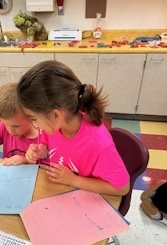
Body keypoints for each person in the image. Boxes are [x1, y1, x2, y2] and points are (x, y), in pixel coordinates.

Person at [17, 60, 130, 196]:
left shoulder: (99, 145)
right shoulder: (54, 126)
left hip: (87, 200)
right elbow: (49, 146)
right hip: (61, 192)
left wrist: (73, 180)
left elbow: (122, 188)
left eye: (33, 118)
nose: (32, 123)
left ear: (56, 115)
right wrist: (42, 151)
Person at [0, 83, 42, 175]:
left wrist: (25, 160)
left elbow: (47, 169)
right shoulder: (3, 128)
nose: (10, 131)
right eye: (5, 124)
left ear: (31, 117)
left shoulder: (44, 135)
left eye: (16, 126)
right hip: (9, 178)